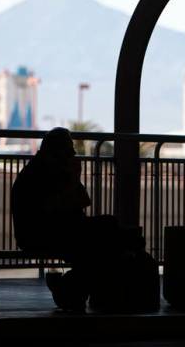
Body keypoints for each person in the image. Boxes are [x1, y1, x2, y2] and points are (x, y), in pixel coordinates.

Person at [12, 127, 143, 311]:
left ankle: (75, 290)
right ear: (58, 151)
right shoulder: (38, 175)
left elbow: (83, 201)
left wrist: (73, 179)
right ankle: (74, 290)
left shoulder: (52, 169)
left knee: (107, 231)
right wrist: (72, 182)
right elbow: (52, 209)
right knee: (107, 233)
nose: (70, 156)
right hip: (43, 234)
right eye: (68, 151)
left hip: (59, 230)